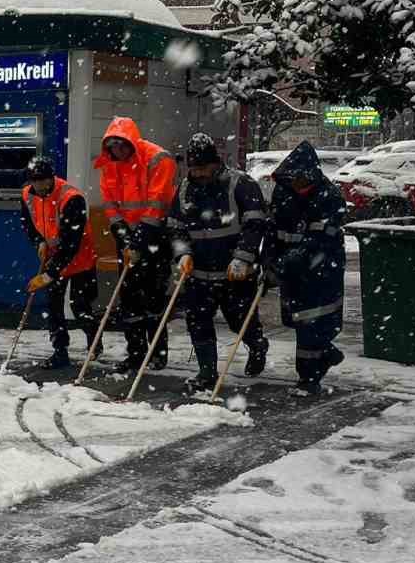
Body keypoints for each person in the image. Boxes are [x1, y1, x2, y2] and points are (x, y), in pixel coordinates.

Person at [169, 133, 270, 392]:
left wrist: (243, 257)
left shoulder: (241, 184)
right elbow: (175, 228)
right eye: (194, 168)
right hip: (199, 272)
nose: (199, 173)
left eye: (204, 168)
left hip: (234, 271)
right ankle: (207, 372)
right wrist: (182, 254)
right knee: (198, 321)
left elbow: (255, 223)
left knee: (240, 320)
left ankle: (257, 345)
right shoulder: (184, 189)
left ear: (216, 163)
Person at [94, 117, 178, 373]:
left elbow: (157, 206)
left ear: (131, 142)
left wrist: (139, 241)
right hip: (129, 238)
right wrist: (123, 237)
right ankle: (136, 352)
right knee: (129, 296)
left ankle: (158, 352)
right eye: (112, 147)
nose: (117, 151)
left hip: (155, 235)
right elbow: (110, 205)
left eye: (121, 146)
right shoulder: (109, 165)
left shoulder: (157, 159)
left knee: (153, 296)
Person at [269, 141, 348, 395]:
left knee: (311, 322)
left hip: (321, 270)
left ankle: (309, 378)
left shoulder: (329, 197)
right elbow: (273, 232)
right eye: (294, 180)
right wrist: (270, 261)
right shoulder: (283, 194)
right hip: (291, 271)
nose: (298, 185)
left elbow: (319, 240)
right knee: (296, 319)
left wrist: (293, 259)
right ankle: (325, 353)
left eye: (302, 180)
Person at [19, 156, 97, 371]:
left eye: (42, 180)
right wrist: (39, 241)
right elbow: (27, 223)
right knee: (54, 306)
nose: (38, 185)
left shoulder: (71, 198)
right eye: (34, 181)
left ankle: (93, 338)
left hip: (80, 257)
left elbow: (71, 244)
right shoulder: (27, 195)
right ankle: (60, 351)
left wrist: (47, 276)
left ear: (51, 178)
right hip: (53, 255)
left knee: (80, 305)